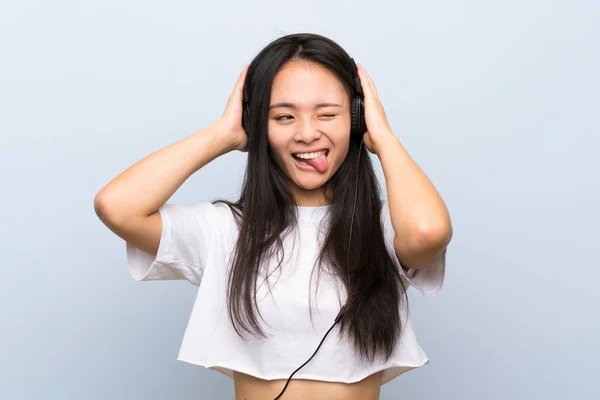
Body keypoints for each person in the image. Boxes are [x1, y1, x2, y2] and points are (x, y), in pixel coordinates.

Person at [94, 33, 452, 400]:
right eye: (283, 116)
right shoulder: (225, 231)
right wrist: (224, 134)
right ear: (256, 124)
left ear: (357, 120)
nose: (307, 133)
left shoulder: (386, 228)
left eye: (327, 114)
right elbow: (116, 206)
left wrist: (385, 138)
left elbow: (427, 232)